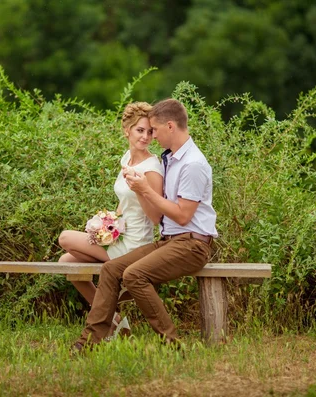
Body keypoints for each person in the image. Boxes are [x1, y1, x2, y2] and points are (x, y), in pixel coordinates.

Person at [71, 98, 217, 353]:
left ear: (170, 126)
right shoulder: (173, 158)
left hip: (192, 245)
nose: (153, 137)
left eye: (155, 130)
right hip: (170, 241)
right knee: (112, 270)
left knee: (134, 275)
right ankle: (89, 342)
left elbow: (183, 217)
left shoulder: (193, 164)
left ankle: (172, 345)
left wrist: (144, 190)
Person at [58, 102, 164, 338]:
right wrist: (108, 223)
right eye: (140, 130)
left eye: (149, 132)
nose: (146, 137)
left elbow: (156, 217)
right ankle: (115, 321)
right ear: (126, 129)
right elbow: (123, 203)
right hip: (120, 236)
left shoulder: (152, 168)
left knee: (65, 238)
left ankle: (106, 322)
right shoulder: (127, 158)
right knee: (67, 261)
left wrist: (140, 188)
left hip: (135, 244)